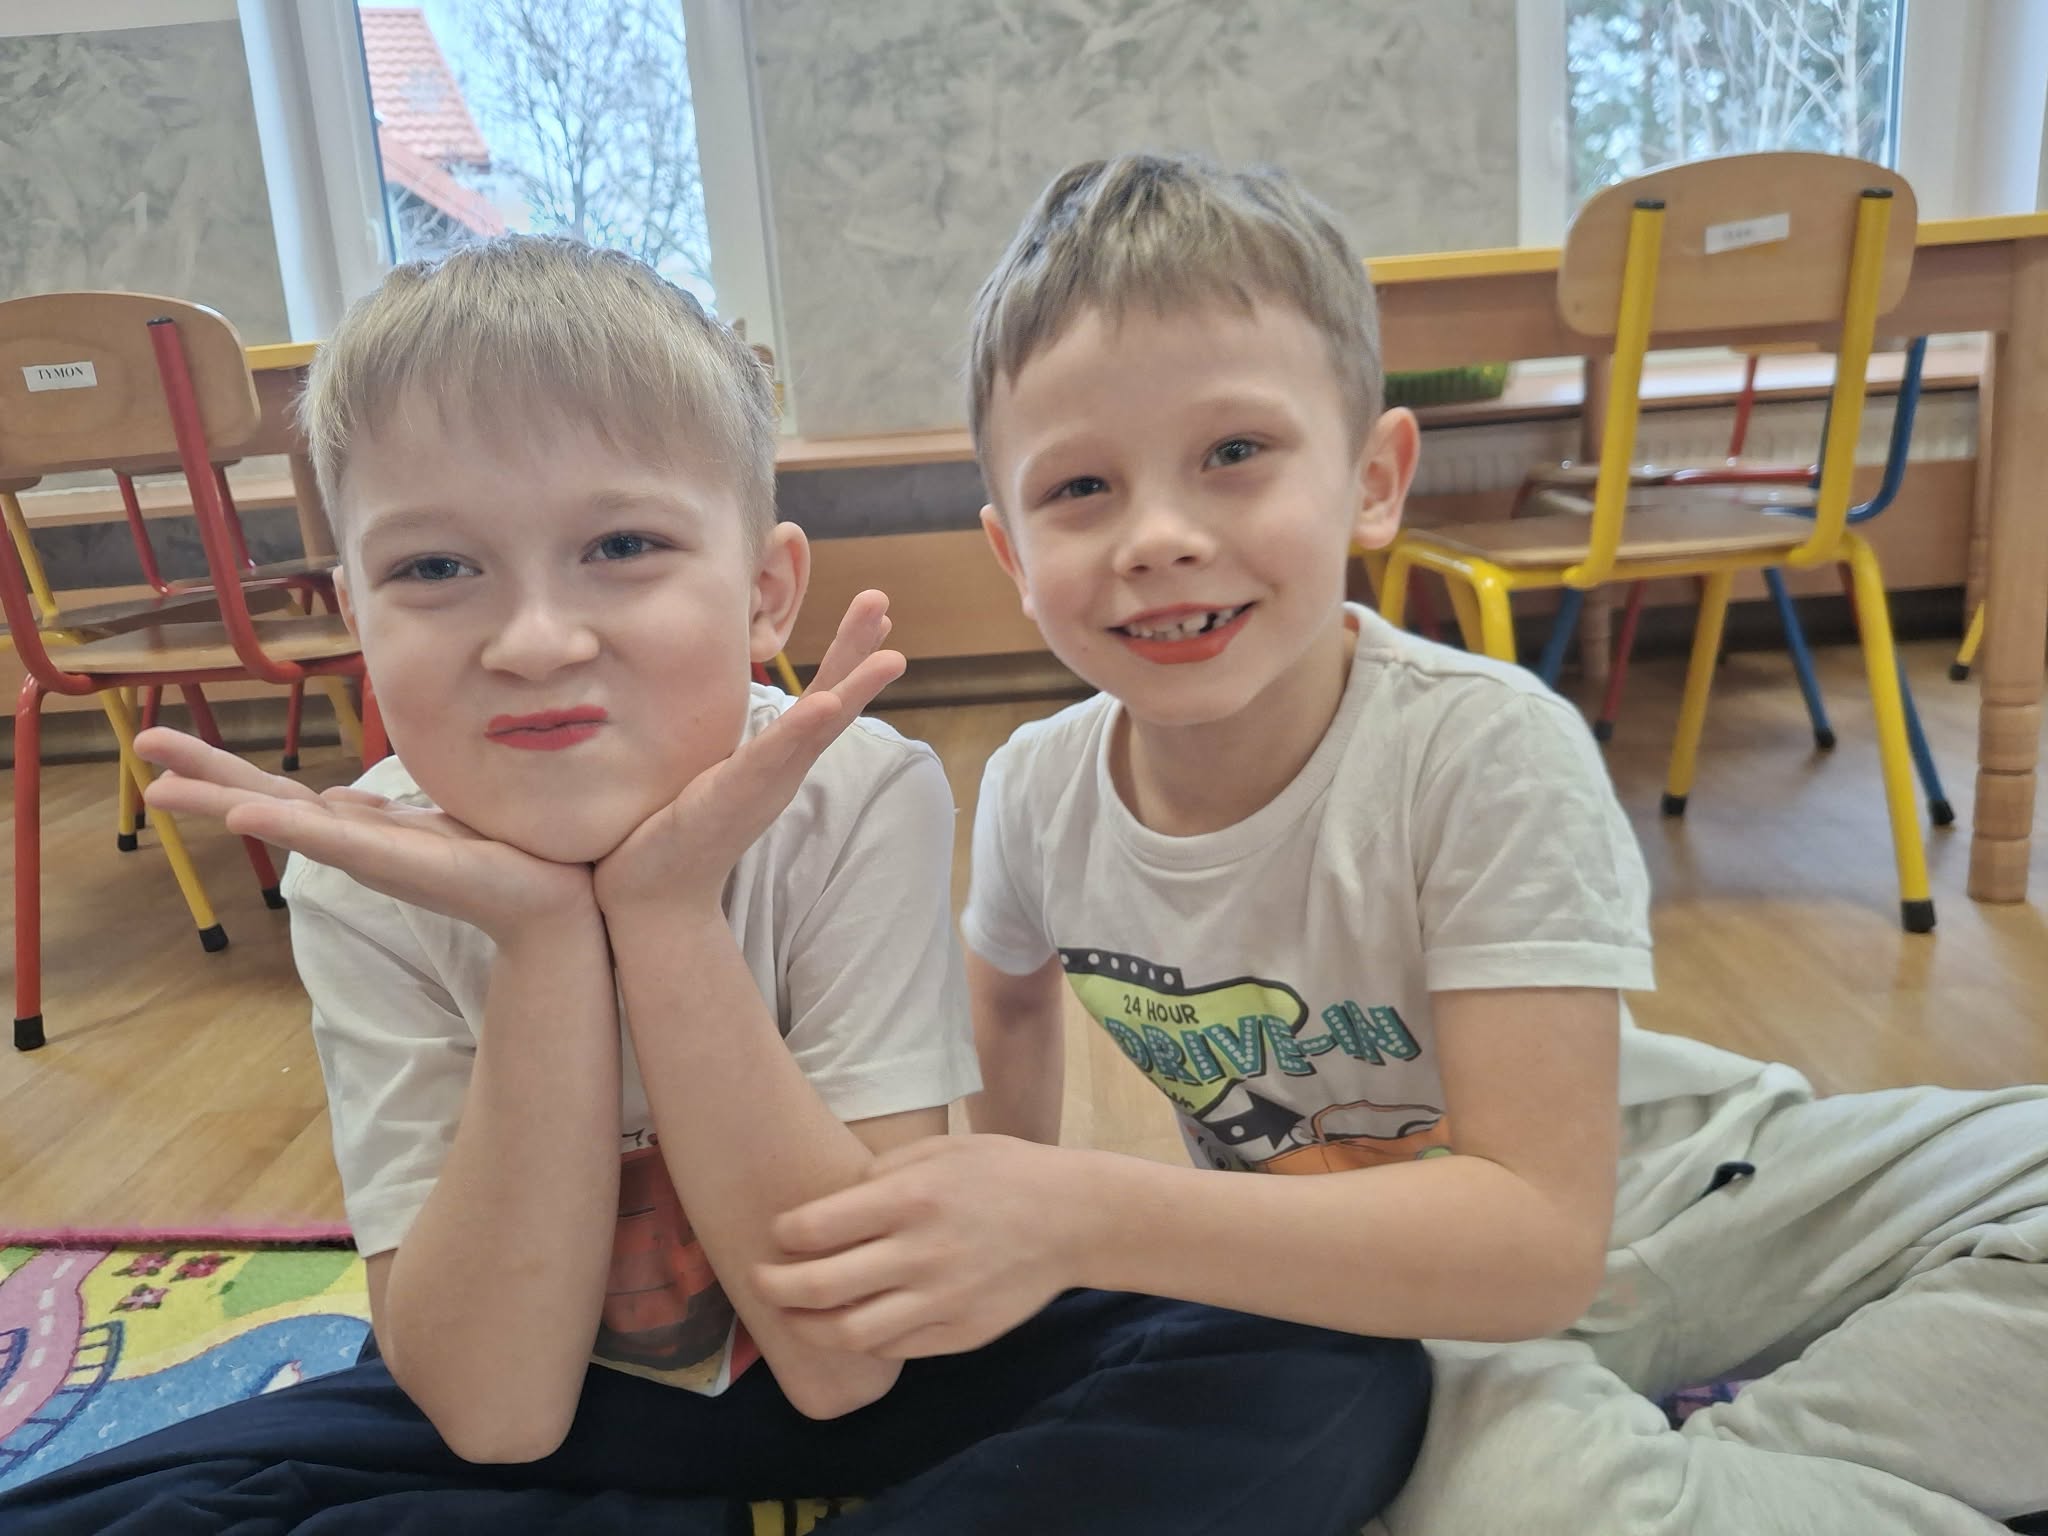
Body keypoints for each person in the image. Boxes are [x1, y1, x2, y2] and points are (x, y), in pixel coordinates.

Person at [0, 234, 1427, 1536]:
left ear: (765, 591)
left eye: (621, 547)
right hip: (549, 1395)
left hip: (865, 1361)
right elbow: (496, 1412)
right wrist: (544, 938)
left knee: (1324, 1363)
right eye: (434, 566)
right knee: (107, 1508)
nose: (536, 640)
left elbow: (846, 1359)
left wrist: (666, 916)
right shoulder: (366, 874)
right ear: (353, 612)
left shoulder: (854, 793)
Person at [752, 154, 2048, 1536]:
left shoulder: (1483, 750)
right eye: (1081, 486)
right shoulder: (1034, 789)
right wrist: (1014, 1268)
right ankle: (1734, 1467)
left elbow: (1539, 1233)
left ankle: (1721, 1457)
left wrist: (1068, 1210)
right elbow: (1009, 992)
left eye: (1233, 455)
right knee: (1495, 1500)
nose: (1160, 537)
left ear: (1374, 481)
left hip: (1700, 1192)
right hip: (1406, 1306)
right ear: (1014, 558)